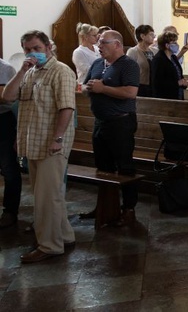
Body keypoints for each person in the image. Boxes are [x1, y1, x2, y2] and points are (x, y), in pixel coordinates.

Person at [2, 30, 76, 261]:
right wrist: (22, 70)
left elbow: (66, 108)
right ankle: (64, 235)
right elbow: (7, 97)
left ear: (48, 47)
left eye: (37, 48)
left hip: (50, 143)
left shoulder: (60, 71)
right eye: (28, 50)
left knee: (46, 197)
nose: (33, 53)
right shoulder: (29, 73)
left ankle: (49, 246)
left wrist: (58, 138)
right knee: (47, 194)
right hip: (31, 141)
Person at [83, 30, 141, 227]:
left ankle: (129, 209)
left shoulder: (129, 65)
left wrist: (103, 88)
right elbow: (85, 86)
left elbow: (131, 92)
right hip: (100, 122)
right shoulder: (97, 63)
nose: (99, 46)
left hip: (121, 123)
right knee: (103, 168)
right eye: (98, 42)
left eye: (103, 42)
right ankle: (105, 206)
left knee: (125, 166)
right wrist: (87, 88)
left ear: (117, 44)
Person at [0, 58, 21, 229]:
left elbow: (8, 98)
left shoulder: (6, 69)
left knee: (9, 169)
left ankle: (10, 211)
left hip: (3, 122)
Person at [152, 31, 188, 100]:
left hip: (177, 95)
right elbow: (158, 83)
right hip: (166, 98)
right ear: (167, 45)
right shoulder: (159, 59)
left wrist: (184, 83)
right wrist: (177, 83)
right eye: (174, 43)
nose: (177, 45)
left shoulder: (173, 57)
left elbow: (178, 74)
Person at [126, 24, 156, 97]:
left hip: (154, 85)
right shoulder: (133, 51)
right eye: (151, 34)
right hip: (140, 86)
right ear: (142, 36)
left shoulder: (155, 51)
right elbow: (128, 70)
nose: (154, 37)